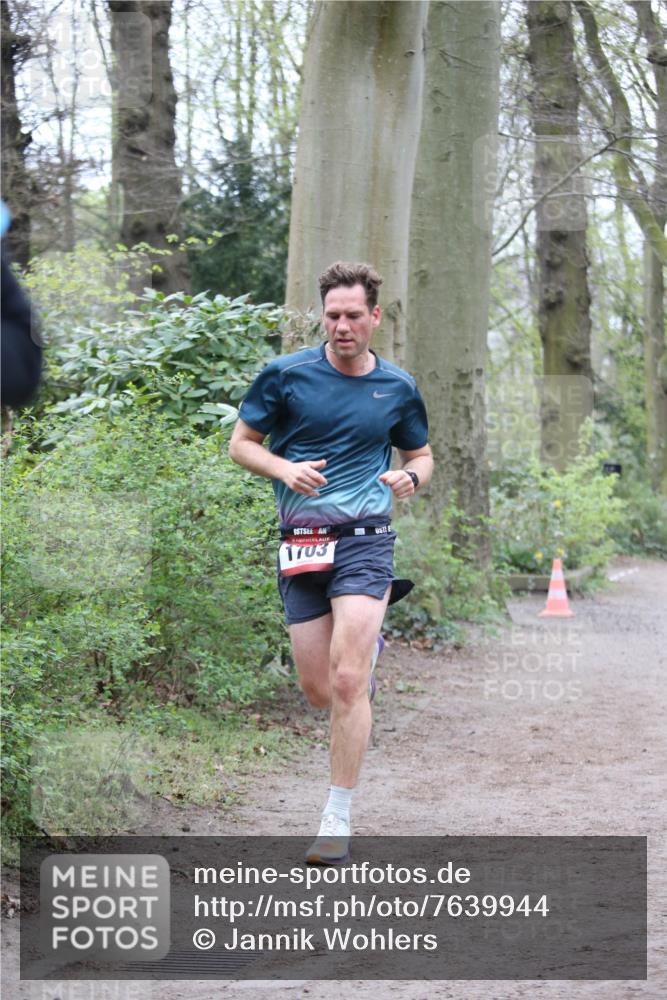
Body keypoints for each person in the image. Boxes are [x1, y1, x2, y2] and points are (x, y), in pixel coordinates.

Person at [229, 261, 433, 863]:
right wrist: (284, 468)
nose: (342, 326)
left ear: (375, 316)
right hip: (303, 540)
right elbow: (241, 445)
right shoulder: (285, 376)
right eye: (333, 315)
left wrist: (411, 477)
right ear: (323, 316)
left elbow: (422, 455)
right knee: (320, 690)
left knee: (347, 681)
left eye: (353, 315)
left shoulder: (397, 386)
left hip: (367, 538)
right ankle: (363, 654)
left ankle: (336, 817)